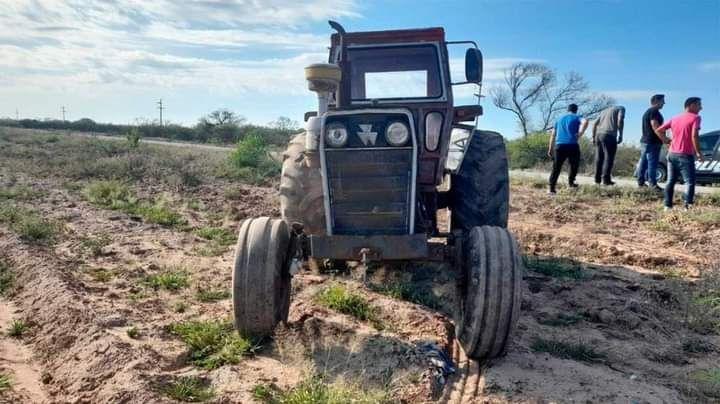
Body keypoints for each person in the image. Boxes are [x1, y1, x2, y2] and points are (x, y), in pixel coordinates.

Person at [655, 97, 704, 210]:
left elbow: (659, 130)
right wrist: (698, 152)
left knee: (670, 181)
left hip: (672, 154)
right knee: (689, 182)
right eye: (699, 105)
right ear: (691, 105)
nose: (701, 108)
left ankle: (667, 206)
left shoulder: (675, 118)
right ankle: (688, 207)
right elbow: (694, 136)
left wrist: (666, 141)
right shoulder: (696, 118)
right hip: (685, 154)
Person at [547, 103, 588, 194]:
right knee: (574, 165)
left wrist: (550, 148)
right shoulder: (577, 117)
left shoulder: (559, 119)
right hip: (572, 145)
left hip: (559, 146)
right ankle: (571, 182)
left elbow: (553, 135)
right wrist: (580, 133)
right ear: (576, 110)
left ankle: (551, 188)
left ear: (567, 110)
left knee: (556, 167)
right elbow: (585, 121)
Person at [637, 94, 666, 190]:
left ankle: (641, 182)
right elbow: (655, 125)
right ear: (657, 101)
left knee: (644, 162)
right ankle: (652, 184)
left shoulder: (648, 111)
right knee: (652, 163)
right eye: (662, 101)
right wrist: (664, 138)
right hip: (652, 141)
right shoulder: (654, 111)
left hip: (646, 141)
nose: (664, 103)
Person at [592, 105, 625, 185]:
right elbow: (620, 120)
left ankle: (597, 180)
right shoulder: (621, 109)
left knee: (599, 158)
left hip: (599, 135)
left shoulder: (603, 111)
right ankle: (606, 180)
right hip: (609, 135)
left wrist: (593, 136)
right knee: (608, 158)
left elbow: (594, 123)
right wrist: (620, 135)